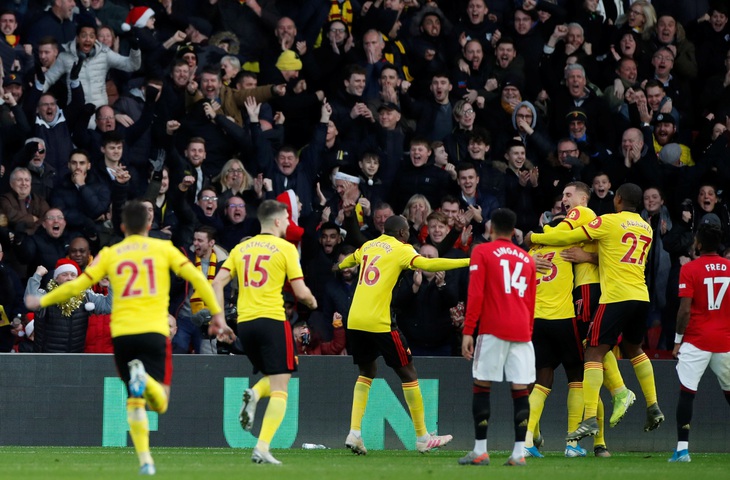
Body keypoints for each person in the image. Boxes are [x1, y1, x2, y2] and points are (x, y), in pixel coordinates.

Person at [24, 200, 226, 475]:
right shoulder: (163, 248)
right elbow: (199, 280)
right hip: (153, 330)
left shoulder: (110, 252)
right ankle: (146, 391)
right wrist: (217, 314)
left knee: (134, 398)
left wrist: (42, 299)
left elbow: (78, 285)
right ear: (147, 224)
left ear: (121, 226)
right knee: (160, 402)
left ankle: (145, 460)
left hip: (123, 334)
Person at [527, 183, 664, 441]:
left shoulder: (601, 219)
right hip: (641, 294)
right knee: (634, 348)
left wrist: (534, 237)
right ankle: (652, 404)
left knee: (593, 349)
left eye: (569, 195)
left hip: (604, 292)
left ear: (618, 199)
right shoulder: (646, 227)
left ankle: (603, 406)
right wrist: (589, 256)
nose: (566, 201)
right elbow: (619, 255)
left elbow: (564, 237)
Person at [338, 214, 469, 455]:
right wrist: (467, 261)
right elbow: (429, 265)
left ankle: (354, 433)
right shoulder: (401, 249)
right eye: (407, 230)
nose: (409, 233)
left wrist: (340, 266)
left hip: (355, 318)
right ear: (400, 233)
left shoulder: (368, 245)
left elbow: (349, 261)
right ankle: (422, 437)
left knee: (367, 372)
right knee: (408, 371)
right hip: (379, 320)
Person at [210, 200, 318, 465]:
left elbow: (216, 283)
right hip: (272, 321)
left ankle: (255, 394)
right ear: (279, 221)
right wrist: (314, 303)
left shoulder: (241, 247)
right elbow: (301, 293)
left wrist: (221, 321)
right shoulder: (285, 248)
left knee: (275, 376)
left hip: (245, 326)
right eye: (288, 220)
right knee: (282, 387)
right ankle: (262, 446)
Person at [460, 208, 536, 467]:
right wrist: (528, 332)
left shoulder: (482, 251)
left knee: (482, 385)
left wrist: (468, 330)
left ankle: (480, 450)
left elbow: (476, 294)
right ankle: (518, 454)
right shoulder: (527, 259)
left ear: (491, 229)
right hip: (522, 331)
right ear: (514, 232)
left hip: (493, 328)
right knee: (520, 389)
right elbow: (530, 301)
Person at [670, 218, 730, 463]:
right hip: (725, 341)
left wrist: (676, 341)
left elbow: (684, 310)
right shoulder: (729, 267)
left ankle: (682, 450)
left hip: (696, 340)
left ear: (700, 242)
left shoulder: (690, 269)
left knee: (687, 393)